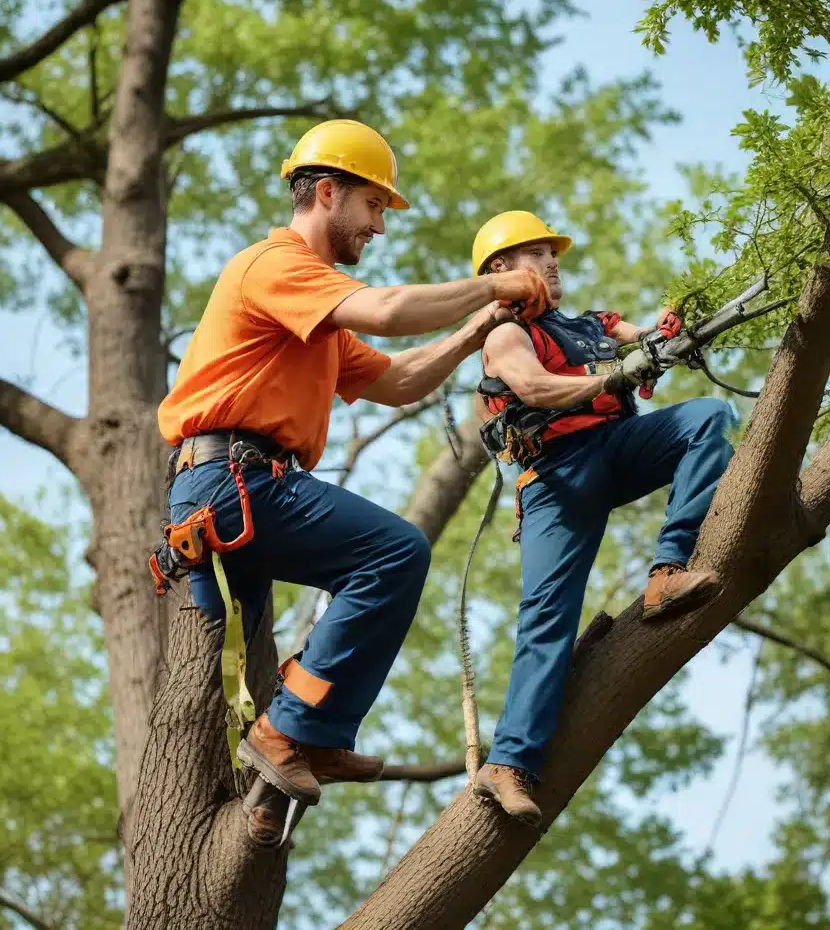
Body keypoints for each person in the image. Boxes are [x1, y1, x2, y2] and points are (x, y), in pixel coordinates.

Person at [155, 121, 550, 840]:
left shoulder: (317, 320)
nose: (378, 227)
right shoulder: (274, 267)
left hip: (236, 489)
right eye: (373, 207)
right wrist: (495, 282)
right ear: (328, 192)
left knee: (275, 659)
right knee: (394, 552)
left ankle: (296, 744)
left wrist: (475, 329)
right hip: (231, 481)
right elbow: (389, 311)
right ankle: (291, 733)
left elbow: (397, 381)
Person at [468, 209, 735, 825]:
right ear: (502, 270)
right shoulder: (505, 336)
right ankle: (508, 765)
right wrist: (615, 375)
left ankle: (667, 571)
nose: (553, 262)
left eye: (554, 253)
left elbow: (647, 340)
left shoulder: (591, 326)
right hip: (557, 482)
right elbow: (535, 390)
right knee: (547, 622)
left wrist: (673, 341)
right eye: (538, 254)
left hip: (614, 452)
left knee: (707, 420)